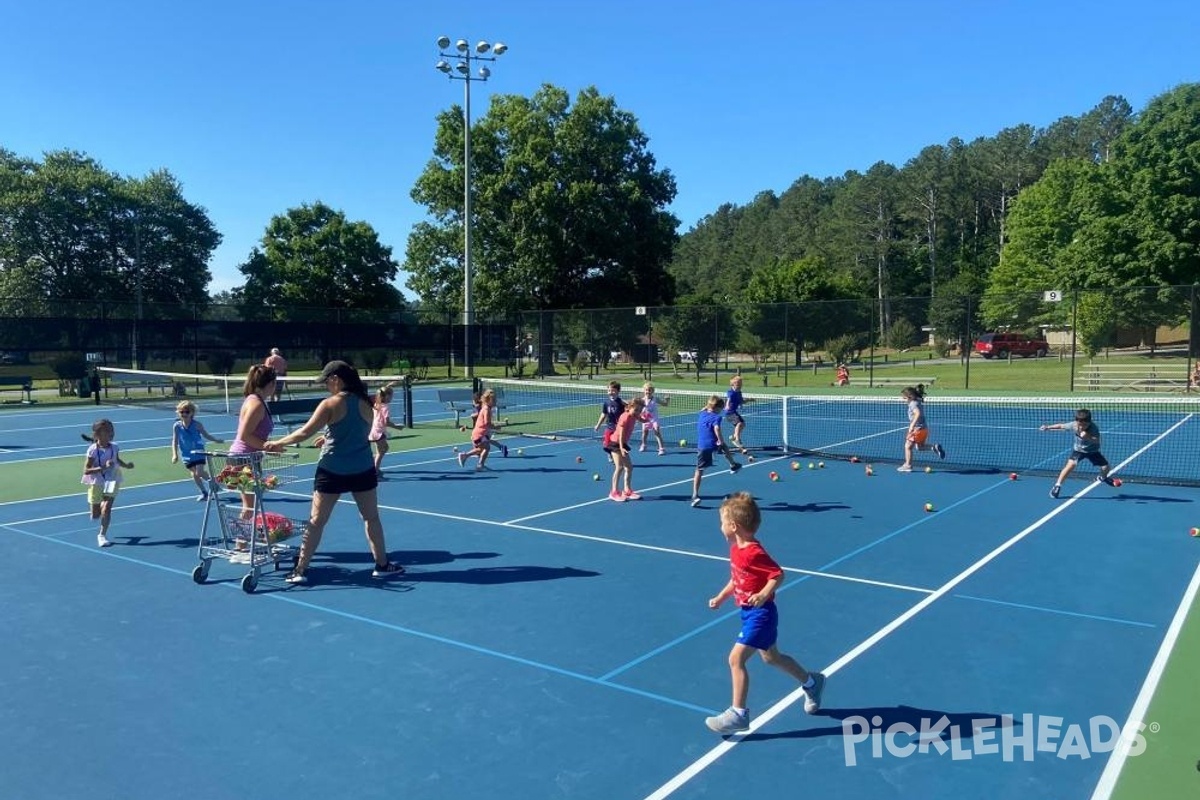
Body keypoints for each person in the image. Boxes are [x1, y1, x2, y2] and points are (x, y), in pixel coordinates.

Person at [265, 360, 404, 584]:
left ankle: (300, 570)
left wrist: (278, 443)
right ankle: (382, 564)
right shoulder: (366, 404)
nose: (326, 386)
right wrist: (330, 436)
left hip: (332, 470)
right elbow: (357, 432)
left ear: (336, 380)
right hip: (362, 468)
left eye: (327, 382)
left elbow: (304, 432)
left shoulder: (330, 404)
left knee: (316, 521)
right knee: (371, 518)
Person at [704, 491, 825, 734]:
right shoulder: (736, 550)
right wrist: (721, 596)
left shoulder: (753, 551)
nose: (720, 527)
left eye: (722, 522)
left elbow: (778, 574)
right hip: (749, 613)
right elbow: (737, 578)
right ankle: (812, 682)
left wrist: (762, 594)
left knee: (735, 659)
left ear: (734, 526)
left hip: (762, 614)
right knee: (771, 657)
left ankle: (738, 714)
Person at [228, 364, 278, 519]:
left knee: (251, 506)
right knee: (250, 508)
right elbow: (245, 435)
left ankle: (245, 542)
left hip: (248, 457)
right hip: (244, 458)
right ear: (270, 384)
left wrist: (269, 445)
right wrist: (266, 447)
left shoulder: (256, 401)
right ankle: (242, 543)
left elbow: (256, 433)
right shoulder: (256, 404)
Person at [81, 418, 135, 548]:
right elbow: (86, 470)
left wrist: (126, 465)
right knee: (96, 514)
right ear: (97, 435)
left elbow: (116, 460)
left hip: (112, 479)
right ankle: (95, 508)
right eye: (107, 432)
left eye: (111, 431)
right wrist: (103, 467)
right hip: (97, 481)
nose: (110, 434)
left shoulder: (115, 447)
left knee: (107, 508)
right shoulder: (93, 450)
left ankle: (102, 535)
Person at [1041, 408, 1116, 499]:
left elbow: (1097, 441)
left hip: (1093, 451)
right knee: (1070, 465)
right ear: (1076, 421)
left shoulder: (1094, 428)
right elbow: (1061, 426)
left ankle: (1102, 478)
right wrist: (1048, 427)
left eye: (1084, 425)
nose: (1081, 427)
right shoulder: (1074, 425)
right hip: (1078, 451)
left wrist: (1087, 437)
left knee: (1106, 467)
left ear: (1089, 422)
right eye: (1079, 424)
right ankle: (1057, 486)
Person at [691, 395, 742, 508]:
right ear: (717, 408)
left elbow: (704, 409)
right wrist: (720, 440)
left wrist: (708, 406)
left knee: (699, 470)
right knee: (724, 447)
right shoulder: (717, 418)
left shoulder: (702, 414)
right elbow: (717, 429)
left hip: (702, 446)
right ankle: (732, 464)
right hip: (713, 444)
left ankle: (695, 495)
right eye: (721, 408)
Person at [170, 400, 224, 500]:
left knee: (199, 472)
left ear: (192, 413)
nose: (184, 414)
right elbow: (175, 441)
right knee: (194, 474)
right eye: (182, 412)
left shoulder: (197, 425)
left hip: (198, 452)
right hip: (186, 454)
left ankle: (213, 483)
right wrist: (175, 455)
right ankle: (204, 493)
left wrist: (216, 440)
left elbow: (206, 435)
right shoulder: (177, 426)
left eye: (187, 412)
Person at [897, 384, 946, 472]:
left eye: (904, 398)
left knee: (907, 446)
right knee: (920, 447)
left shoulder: (912, 404)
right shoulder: (917, 401)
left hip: (917, 430)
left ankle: (908, 466)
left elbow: (917, 413)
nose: (903, 400)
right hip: (924, 429)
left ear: (910, 397)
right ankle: (934, 447)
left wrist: (912, 425)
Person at [608, 396, 646, 502]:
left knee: (629, 467)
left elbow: (642, 419)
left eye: (640, 410)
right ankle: (614, 492)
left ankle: (627, 490)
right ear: (630, 407)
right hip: (616, 443)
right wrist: (621, 447)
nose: (638, 412)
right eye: (636, 409)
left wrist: (646, 418)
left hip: (623, 444)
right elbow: (621, 434)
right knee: (619, 467)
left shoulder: (634, 415)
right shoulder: (625, 417)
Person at [457, 388, 504, 469]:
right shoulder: (486, 409)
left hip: (481, 433)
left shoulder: (486, 408)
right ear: (488, 400)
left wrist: (496, 425)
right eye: (494, 400)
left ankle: (465, 456)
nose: (496, 401)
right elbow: (487, 423)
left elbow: (486, 423)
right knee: (486, 448)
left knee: (480, 449)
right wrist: (496, 427)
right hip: (480, 433)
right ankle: (480, 464)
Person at [369, 383, 405, 478]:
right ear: (387, 396)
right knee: (383, 449)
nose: (392, 398)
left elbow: (381, 391)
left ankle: (375, 468)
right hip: (378, 431)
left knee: (380, 450)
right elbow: (386, 422)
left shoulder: (377, 403)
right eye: (391, 396)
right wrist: (398, 427)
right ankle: (375, 471)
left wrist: (389, 385)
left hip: (374, 430)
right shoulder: (385, 407)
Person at [593, 380, 626, 451]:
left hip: (619, 427)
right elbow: (603, 414)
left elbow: (629, 411)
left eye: (613, 391)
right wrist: (598, 425)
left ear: (618, 391)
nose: (611, 392)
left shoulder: (621, 402)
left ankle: (618, 457)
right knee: (606, 445)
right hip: (609, 426)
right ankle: (610, 454)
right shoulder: (606, 403)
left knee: (617, 445)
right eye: (609, 390)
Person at [639, 382, 670, 455]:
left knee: (657, 433)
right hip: (645, 419)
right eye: (646, 390)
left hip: (654, 420)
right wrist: (640, 416)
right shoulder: (642, 400)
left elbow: (665, 404)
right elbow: (639, 409)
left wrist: (667, 400)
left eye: (650, 390)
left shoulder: (656, 399)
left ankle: (661, 448)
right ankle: (643, 445)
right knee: (644, 433)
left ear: (652, 391)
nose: (648, 392)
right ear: (644, 391)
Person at [725, 375, 753, 452]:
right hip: (729, 413)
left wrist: (749, 400)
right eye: (738, 384)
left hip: (734, 412)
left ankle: (733, 437)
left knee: (743, 424)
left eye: (741, 384)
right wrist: (727, 405)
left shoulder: (739, 392)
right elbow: (728, 399)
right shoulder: (730, 392)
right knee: (739, 424)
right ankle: (737, 439)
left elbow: (741, 401)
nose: (740, 386)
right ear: (733, 384)